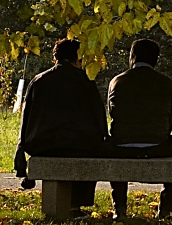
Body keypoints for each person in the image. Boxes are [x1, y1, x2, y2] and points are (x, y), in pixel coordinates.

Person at [13, 38, 106, 208]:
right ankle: (77, 205)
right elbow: (99, 119)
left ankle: (59, 206)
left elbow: (26, 121)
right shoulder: (86, 82)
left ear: (55, 58)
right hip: (80, 146)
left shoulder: (39, 81)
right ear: (78, 59)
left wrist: (21, 154)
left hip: (44, 145)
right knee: (86, 147)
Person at [103, 38, 172, 219]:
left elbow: (113, 114)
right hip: (157, 146)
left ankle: (120, 209)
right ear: (155, 59)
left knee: (114, 152)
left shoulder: (117, 81)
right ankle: (165, 210)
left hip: (121, 147)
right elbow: (170, 118)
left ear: (132, 57)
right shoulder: (166, 83)